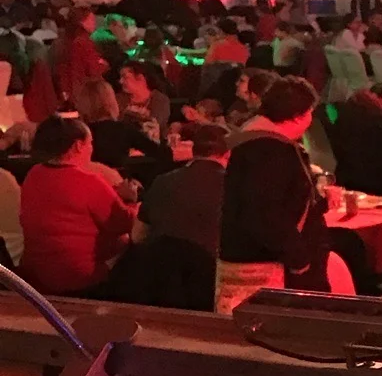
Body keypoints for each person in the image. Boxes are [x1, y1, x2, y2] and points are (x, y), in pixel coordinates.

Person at [217, 78, 328, 305]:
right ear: (297, 115)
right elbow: (264, 212)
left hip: (258, 255)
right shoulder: (270, 150)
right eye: (309, 112)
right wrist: (299, 258)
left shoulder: (250, 139)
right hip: (268, 265)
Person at [19, 114, 136, 294]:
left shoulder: (33, 174)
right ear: (78, 145)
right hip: (79, 279)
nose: (92, 149)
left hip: (36, 277)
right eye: (90, 143)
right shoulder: (89, 181)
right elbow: (125, 223)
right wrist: (131, 200)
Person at [139, 122, 229, 257]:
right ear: (228, 153)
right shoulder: (235, 186)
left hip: (163, 262)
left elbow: (138, 235)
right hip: (211, 265)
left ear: (193, 150)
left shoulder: (162, 181)